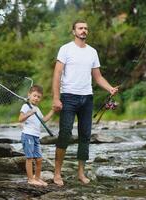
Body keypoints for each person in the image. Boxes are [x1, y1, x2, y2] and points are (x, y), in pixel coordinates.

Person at [52, 20, 119, 186]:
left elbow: (97, 77)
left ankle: (81, 173)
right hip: (68, 97)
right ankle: (57, 173)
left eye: (86, 28)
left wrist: (109, 88)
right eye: (80, 28)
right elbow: (57, 74)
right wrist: (55, 97)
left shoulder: (92, 52)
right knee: (65, 134)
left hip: (87, 98)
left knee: (85, 136)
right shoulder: (65, 49)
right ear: (73, 31)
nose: (84, 31)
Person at [19, 85, 54, 186]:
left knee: (39, 159)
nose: (36, 98)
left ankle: (37, 178)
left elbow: (43, 120)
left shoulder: (37, 109)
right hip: (28, 135)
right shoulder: (25, 106)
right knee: (29, 158)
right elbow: (20, 119)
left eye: (38, 97)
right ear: (29, 95)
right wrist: (30, 113)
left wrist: (52, 111)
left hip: (36, 136)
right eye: (34, 96)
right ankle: (30, 179)